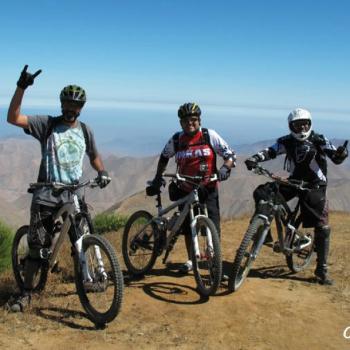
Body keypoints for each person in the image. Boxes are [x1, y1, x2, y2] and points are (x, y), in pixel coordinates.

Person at [6, 65, 111, 312]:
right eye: (67, 104)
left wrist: (102, 171)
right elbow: (13, 117)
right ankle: (27, 294)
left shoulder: (85, 130)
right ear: (61, 104)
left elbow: (94, 155)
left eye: (76, 106)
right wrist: (21, 87)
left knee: (82, 239)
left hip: (75, 195)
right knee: (37, 247)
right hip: (46, 195)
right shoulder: (47, 125)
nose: (71, 110)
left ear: (81, 108)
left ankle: (88, 279)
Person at [245, 108, 348, 285]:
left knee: (322, 227)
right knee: (262, 192)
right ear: (291, 126)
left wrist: (340, 154)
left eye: (305, 124)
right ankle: (265, 232)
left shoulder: (319, 140)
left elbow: (335, 157)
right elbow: (271, 151)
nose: (301, 128)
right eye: (297, 125)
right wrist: (254, 158)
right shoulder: (287, 141)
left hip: (314, 186)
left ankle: (321, 270)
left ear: (310, 124)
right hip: (293, 182)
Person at [147, 102, 236, 274]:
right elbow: (164, 157)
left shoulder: (209, 135)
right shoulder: (176, 139)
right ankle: (191, 259)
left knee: (213, 227)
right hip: (185, 189)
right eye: (186, 121)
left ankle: (214, 265)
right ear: (181, 123)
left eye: (194, 120)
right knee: (188, 228)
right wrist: (158, 177)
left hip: (208, 188)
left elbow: (229, 154)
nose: (190, 123)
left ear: (199, 120)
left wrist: (225, 168)